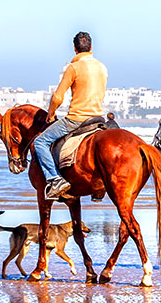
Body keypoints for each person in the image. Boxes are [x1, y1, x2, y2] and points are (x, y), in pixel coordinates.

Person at [33, 32, 108, 200]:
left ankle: (55, 179)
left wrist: (50, 113)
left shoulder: (73, 67)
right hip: (97, 119)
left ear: (74, 48)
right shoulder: (102, 67)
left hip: (77, 119)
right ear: (91, 47)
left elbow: (58, 97)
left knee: (40, 142)